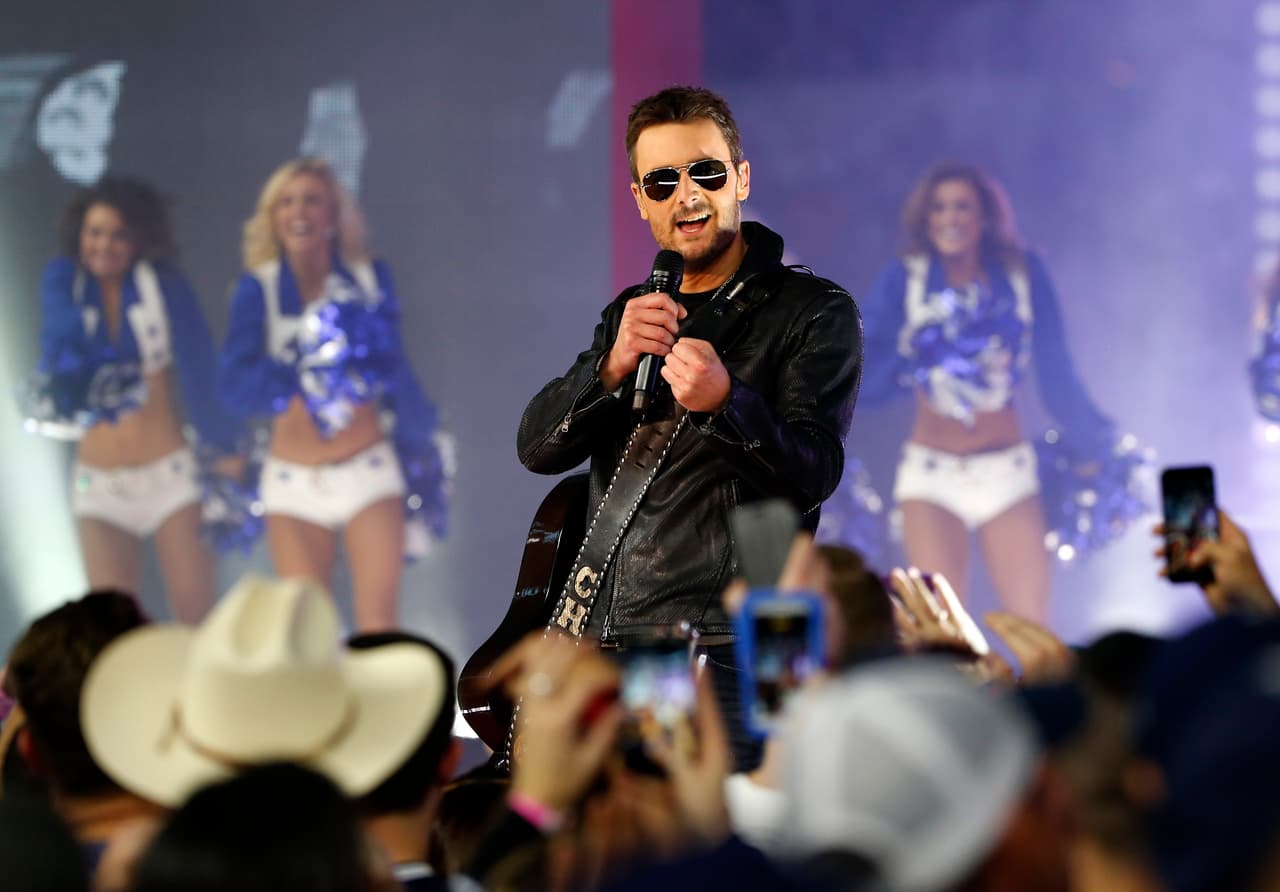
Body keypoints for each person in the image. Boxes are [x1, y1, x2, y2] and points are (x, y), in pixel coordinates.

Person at [516, 86, 862, 765]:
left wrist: (727, 401)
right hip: (637, 635)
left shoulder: (814, 309)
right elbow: (536, 448)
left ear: (741, 177)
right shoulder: (632, 313)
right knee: (653, 840)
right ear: (641, 201)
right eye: (663, 181)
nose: (689, 195)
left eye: (706, 172)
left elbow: (815, 471)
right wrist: (610, 368)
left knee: (760, 836)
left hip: (762, 633)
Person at [860, 162, 1115, 620]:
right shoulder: (908, 276)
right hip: (930, 475)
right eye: (939, 208)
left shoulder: (1021, 273)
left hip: (1007, 473)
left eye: (963, 206)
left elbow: (1056, 367)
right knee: (941, 629)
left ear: (985, 218)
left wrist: (1092, 443)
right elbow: (863, 357)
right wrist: (914, 361)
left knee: (1032, 625)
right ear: (926, 218)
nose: (950, 218)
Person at [217, 157, 443, 631]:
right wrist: (301, 374)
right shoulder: (255, 289)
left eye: (312, 200)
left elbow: (395, 368)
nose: (299, 211)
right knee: (309, 630)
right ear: (273, 216)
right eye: (288, 201)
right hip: (292, 485)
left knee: (379, 627)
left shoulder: (368, 279)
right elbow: (233, 386)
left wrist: (424, 443)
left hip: (368, 472)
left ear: (333, 214)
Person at [27, 177, 241, 621]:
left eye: (118, 234)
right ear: (79, 236)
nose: (104, 245)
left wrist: (224, 447)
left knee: (196, 619)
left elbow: (201, 368)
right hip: (97, 486)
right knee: (110, 630)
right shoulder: (63, 286)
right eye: (95, 233)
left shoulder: (163, 286)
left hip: (170, 479)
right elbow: (59, 355)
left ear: (139, 238)